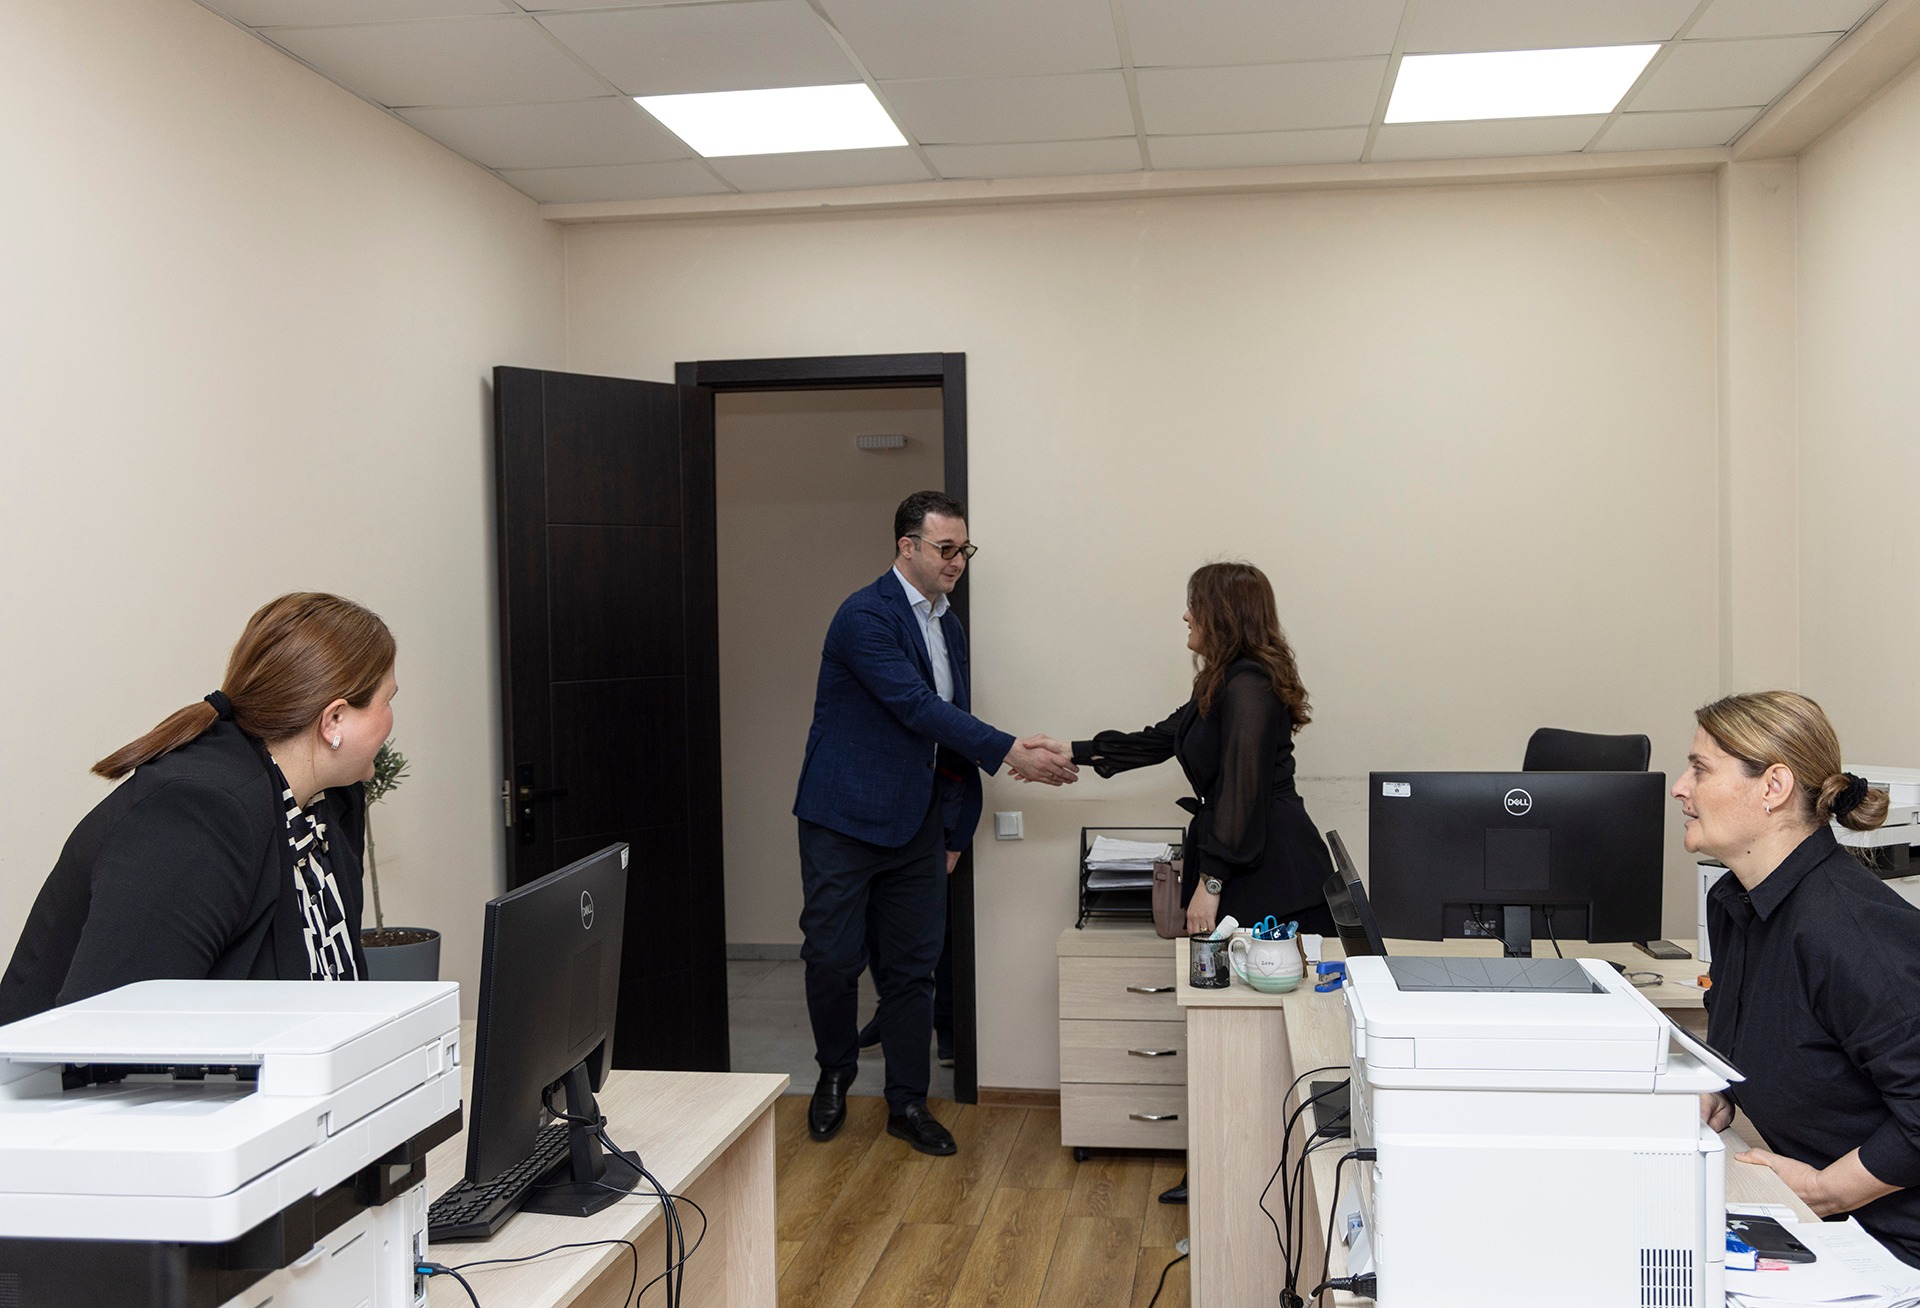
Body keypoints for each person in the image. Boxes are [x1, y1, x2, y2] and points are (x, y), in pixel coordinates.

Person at [794, 490, 1075, 1156]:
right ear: (907, 546)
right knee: (832, 958)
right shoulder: (865, 616)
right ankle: (834, 1073)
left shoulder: (948, 625)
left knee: (913, 970)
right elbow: (917, 706)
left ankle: (908, 1102)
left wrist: (954, 826)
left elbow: (947, 733)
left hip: (917, 825)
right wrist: (1011, 751)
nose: (957, 562)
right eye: (946, 549)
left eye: (964, 550)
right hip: (843, 819)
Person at [0, 593, 397, 1024]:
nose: (391, 718)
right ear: (334, 719)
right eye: (387, 700)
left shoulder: (333, 800)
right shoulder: (197, 817)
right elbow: (111, 1032)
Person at [1677, 690, 1920, 1266]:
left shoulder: (1849, 930)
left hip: (1894, 1251)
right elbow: (1769, 1034)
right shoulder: (1736, 903)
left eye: (1700, 769)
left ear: (1774, 787)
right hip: (1824, 1228)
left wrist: (1824, 1190)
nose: (1680, 788)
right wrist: (1723, 1090)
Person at [1067, 561, 1336, 939]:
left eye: (1195, 605)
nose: (1186, 616)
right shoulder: (1221, 681)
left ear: (1224, 615)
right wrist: (1068, 752)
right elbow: (1159, 740)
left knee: (1252, 978)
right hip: (1244, 863)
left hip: (1276, 875)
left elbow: (1241, 792)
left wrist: (1211, 885)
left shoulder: (1249, 684)